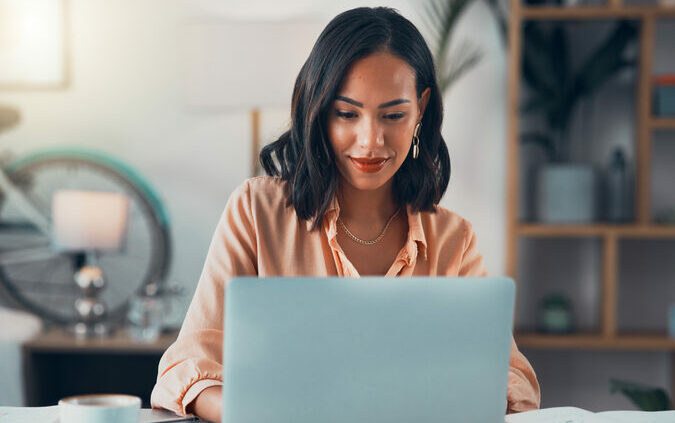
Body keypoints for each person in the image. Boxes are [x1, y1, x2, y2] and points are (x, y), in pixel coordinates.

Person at [151, 7, 540, 422]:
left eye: (393, 115)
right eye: (347, 114)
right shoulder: (255, 212)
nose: (370, 140)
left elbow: (511, 379)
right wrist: (254, 413)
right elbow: (187, 367)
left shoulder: (452, 239)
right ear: (318, 111)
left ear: (421, 109)